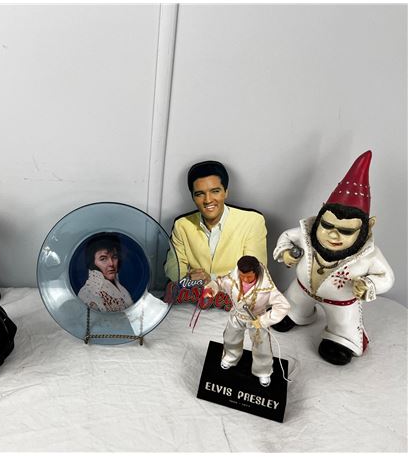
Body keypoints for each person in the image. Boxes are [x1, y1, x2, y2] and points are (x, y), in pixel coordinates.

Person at [272, 150, 394, 365]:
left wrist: (368, 284)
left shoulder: (369, 255)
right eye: (327, 226)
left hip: (341, 302)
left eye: (346, 231)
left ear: (367, 226)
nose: (334, 235)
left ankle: (340, 339)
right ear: (321, 214)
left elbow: (387, 277)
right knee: (293, 303)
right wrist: (285, 252)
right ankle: (295, 314)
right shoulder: (306, 235)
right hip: (302, 289)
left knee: (344, 324)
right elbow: (287, 237)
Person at [164, 160, 267, 285]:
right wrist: (189, 278)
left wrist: (212, 279)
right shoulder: (182, 225)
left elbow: (255, 275)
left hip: (238, 296)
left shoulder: (252, 221)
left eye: (215, 191)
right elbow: (173, 271)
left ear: (226, 192)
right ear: (193, 197)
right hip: (195, 295)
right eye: (200, 194)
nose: (208, 200)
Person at [204, 256, 290, 387]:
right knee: (231, 338)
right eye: (242, 276)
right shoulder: (232, 280)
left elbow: (283, 305)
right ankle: (230, 357)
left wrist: (264, 320)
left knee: (261, 345)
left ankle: (263, 370)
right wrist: (211, 288)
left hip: (256, 319)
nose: (244, 279)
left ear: (256, 273)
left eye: (249, 277)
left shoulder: (267, 288)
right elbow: (219, 283)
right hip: (237, 315)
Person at [77, 233, 134, 312]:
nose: (111, 263)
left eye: (114, 257)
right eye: (103, 259)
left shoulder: (121, 288)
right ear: (92, 262)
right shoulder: (88, 293)